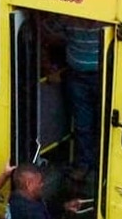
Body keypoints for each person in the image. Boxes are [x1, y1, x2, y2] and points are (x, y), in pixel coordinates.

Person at [44, 15, 103, 180]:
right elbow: (47, 33)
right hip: (77, 77)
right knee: (82, 124)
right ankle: (84, 165)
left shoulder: (107, 20)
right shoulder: (68, 18)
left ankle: (101, 164)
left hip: (103, 76)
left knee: (103, 122)